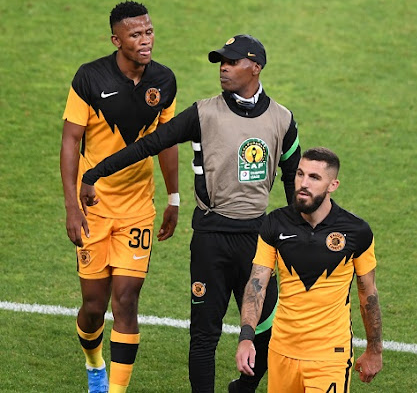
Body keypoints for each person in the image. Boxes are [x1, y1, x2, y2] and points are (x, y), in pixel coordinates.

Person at [79, 34, 300, 393]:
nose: (223, 69)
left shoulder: (282, 119)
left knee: (268, 328)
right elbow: (150, 144)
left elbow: (293, 178)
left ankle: (242, 389)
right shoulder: (203, 113)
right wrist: (96, 171)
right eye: (220, 62)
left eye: (231, 62)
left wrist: (295, 232)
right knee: (204, 336)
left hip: (257, 241)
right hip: (211, 239)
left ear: (255, 67)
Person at [60, 0, 180, 393]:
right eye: (135, 35)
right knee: (94, 306)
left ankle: (115, 390)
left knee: (126, 299)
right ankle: (95, 364)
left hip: (137, 209)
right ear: (117, 40)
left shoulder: (164, 81)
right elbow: (70, 140)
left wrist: (174, 198)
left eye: (149, 32)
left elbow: (167, 142)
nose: (146, 41)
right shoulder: (89, 78)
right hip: (94, 208)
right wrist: (72, 207)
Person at [235, 147, 383, 393]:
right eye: (300, 174)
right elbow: (256, 284)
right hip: (281, 350)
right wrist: (246, 337)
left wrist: (374, 350)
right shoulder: (275, 223)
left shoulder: (356, 232)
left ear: (332, 185)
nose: (303, 183)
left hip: (330, 355)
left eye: (314, 178)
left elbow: (368, 294)